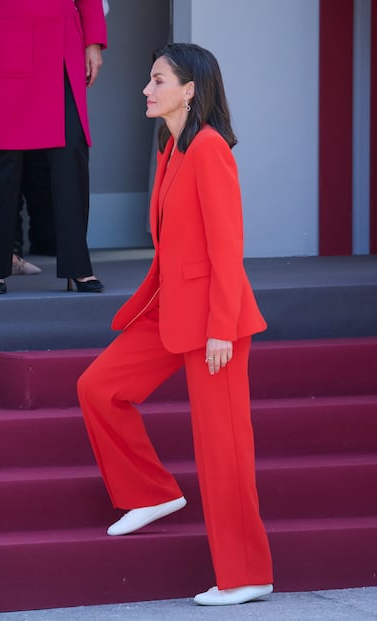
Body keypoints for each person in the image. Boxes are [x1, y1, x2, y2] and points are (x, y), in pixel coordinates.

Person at [77, 43, 273, 607]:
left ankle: (247, 574)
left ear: (189, 90)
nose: (147, 89)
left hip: (216, 320)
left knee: (223, 450)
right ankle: (151, 491)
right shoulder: (170, 148)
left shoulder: (210, 150)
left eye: (158, 80)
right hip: (168, 309)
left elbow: (226, 250)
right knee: (99, 387)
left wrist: (220, 327)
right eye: (150, 80)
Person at [0, 0, 107, 294]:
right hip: (3, 36)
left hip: (61, 40)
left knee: (71, 154)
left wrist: (93, 40)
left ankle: (77, 266)